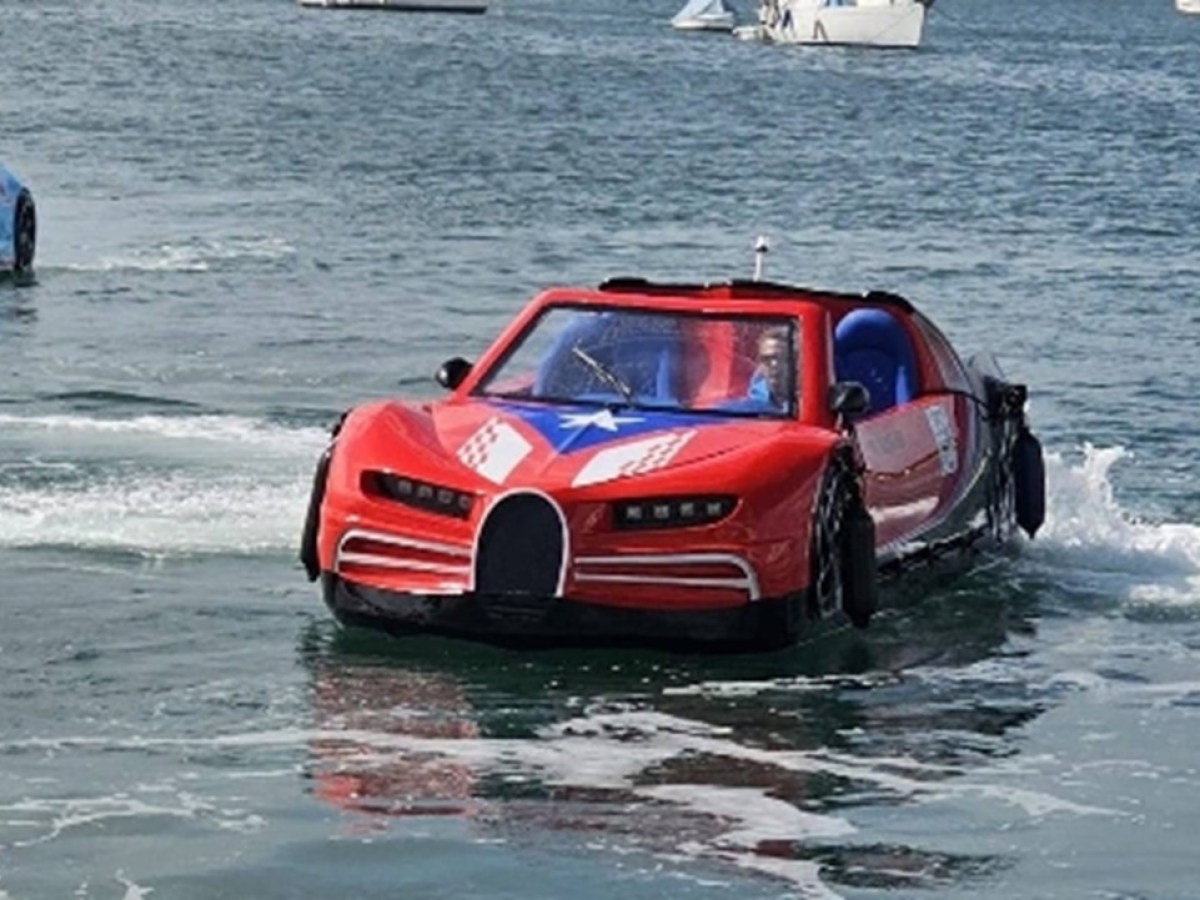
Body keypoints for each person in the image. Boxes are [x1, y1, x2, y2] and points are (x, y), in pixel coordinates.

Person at [745, 326, 794, 411]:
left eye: (780, 358)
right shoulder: (750, 408)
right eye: (766, 359)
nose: (774, 364)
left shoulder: (809, 403)